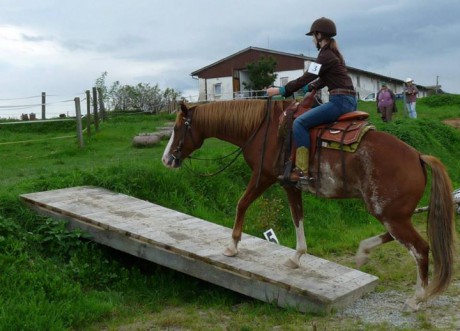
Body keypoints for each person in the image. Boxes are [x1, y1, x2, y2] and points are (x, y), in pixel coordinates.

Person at [266, 17, 357, 182]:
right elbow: (323, 78)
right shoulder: (333, 55)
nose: (313, 39)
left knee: (299, 123)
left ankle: (302, 171)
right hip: (348, 99)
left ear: (319, 35)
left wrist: (281, 90)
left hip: (339, 101)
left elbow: (307, 76)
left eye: (313, 36)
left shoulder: (325, 56)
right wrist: (310, 87)